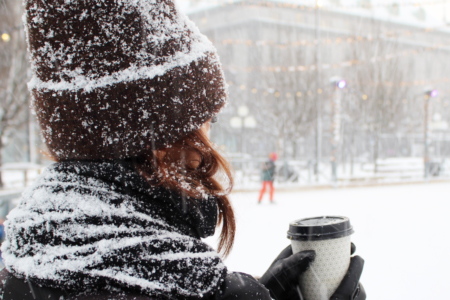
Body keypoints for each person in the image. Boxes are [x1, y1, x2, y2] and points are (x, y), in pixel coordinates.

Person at [0, 0, 366, 299]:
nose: (208, 138)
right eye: (205, 119)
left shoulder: (25, 257)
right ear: (155, 132)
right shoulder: (184, 285)